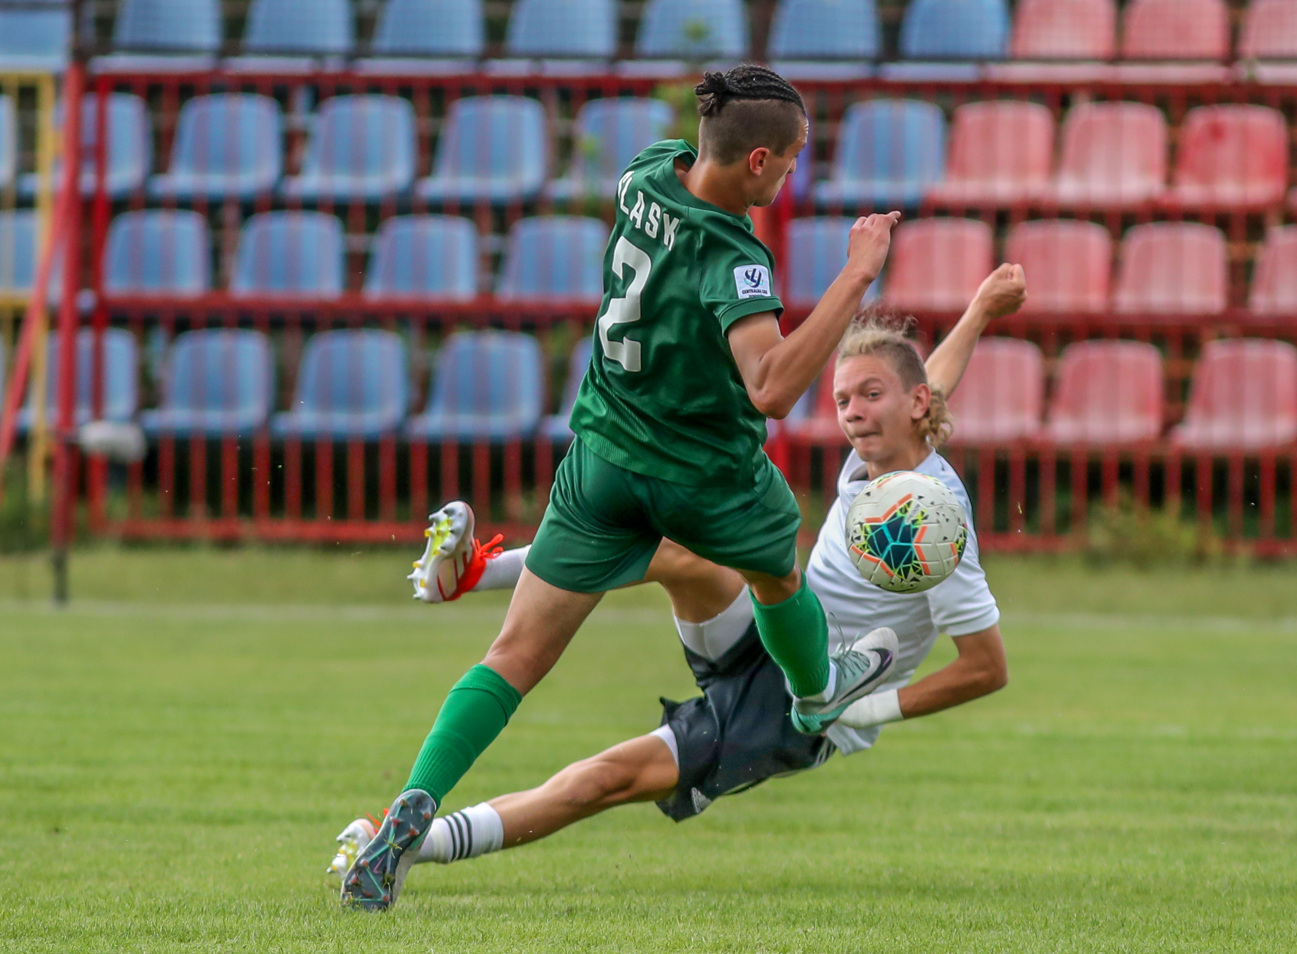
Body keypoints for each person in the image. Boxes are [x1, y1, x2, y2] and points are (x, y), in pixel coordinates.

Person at [341, 65, 906, 910]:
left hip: (602, 458)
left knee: (514, 657)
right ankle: (818, 692)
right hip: (700, 472)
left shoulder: (645, 170)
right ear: (756, 162)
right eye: (786, 165)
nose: (788, 179)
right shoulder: (733, 252)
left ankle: (414, 807)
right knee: (779, 570)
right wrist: (857, 275)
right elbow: (773, 387)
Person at [331, 266, 1027, 886]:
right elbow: (929, 377)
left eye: (867, 396)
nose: (851, 413)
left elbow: (986, 668)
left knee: (602, 780)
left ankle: (409, 842)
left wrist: (871, 708)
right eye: (842, 400)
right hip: (776, 626)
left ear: (914, 406)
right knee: (671, 545)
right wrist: (979, 312)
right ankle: (474, 574)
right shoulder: (887, 458)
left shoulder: (938, 529)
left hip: (796, 713)